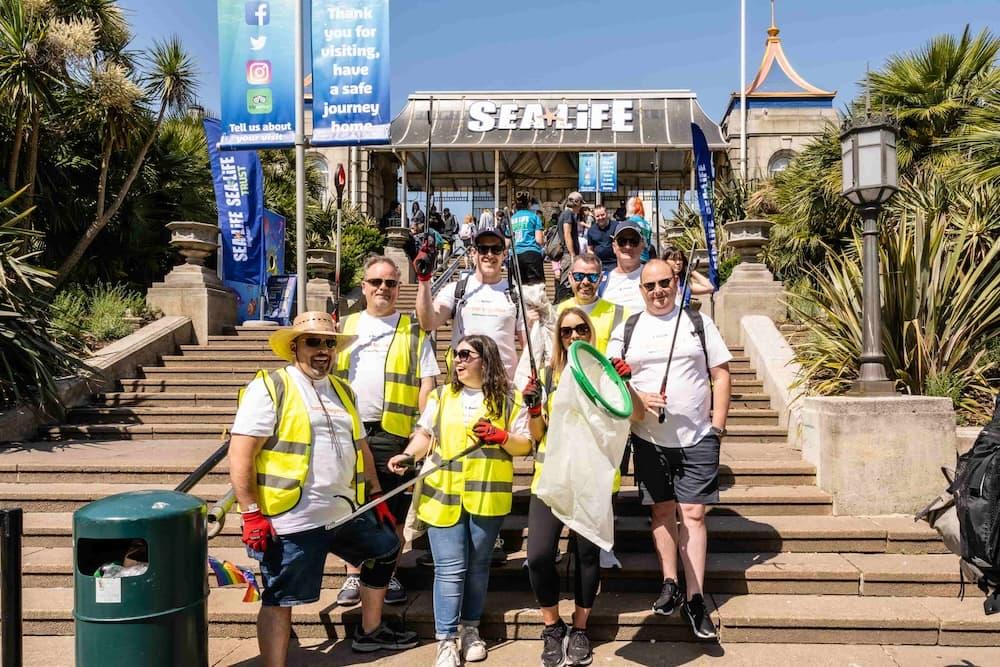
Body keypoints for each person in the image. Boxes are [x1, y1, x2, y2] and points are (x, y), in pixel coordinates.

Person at [228, 311, 419, 666]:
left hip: (345, 511)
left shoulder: (344, 391)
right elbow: (240, 453)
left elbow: (361, 447)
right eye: (314, 342)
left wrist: (376, 496)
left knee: (387, 546)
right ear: (295, 346)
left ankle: (371, 630)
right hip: (292, 519)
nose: (323, 350)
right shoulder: (271, 387)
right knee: (279, 597)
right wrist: (251, 513)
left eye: (329, 343)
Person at [606, 259, 732, 641]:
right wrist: (637, 394)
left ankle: (695, 597)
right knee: (661, 511)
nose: (658, 290)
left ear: (676, 281)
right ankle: (669, 582)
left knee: (693, 513)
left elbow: (721, 373)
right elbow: (610, 375)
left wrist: (718, 428)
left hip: (696, 437)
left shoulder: (698, 322)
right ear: (640, 290)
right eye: (650, 285)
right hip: (648, 438)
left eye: (665, 282)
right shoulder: (628, 327)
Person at [387, 335, 532, 667]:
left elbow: (525, 444)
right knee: (450, 569)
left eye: (466, 354)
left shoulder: (509, 398)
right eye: (455, 354)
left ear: (486, 359)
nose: (458, 360)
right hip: (443, 495)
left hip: (487, 494)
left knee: (478, 568)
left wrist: (503, 437)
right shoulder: (440, 395)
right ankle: (446, 639)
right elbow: (425, 434)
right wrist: (409, 456)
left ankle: (470, 628)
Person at [524, 307, 634, 667]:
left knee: (587, 556)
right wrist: (533, 408)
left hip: (593, 481)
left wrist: (626, 384)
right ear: (559, 338)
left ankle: (581, 628)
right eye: (566, 331)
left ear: (591, 333)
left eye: (581, 329)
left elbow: (636, 416)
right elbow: (536, 437)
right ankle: (552, 626)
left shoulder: (607, 374)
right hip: (549, 479)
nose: (574, 337)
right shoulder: (547, 375)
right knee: (538, 555)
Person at [333, 257, 441, 607]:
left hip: (395, 434)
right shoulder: (344, 327)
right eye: (376, 282)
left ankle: (388, 573)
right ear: (363, 286)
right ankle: (354, 572)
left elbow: (427, 383)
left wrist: (421, 433)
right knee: (352, 507)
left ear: (399, 288)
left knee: (393, 510)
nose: (383, 288)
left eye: (391, 283)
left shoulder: (413, 329)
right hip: (348, 431)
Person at [415, 227, 525, 381]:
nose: (489, 254)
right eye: (483, 249)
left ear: (504, 254)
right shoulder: (456, 290)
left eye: (496, 249)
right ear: (473, 254)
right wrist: (424, 280)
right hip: (462, 387)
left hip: (503, 387)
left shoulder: (516, 295)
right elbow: (427, 323)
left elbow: (527, 346)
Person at [556, 253, 628, 354]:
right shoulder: (558, 312)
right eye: (579, 276)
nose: (585, 282)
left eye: (592, 277)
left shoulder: (620, 313)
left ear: (601, 278)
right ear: (570, 277)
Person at [598, 220, 646, 312]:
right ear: (614, 247)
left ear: (642, 245)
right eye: (622, 241)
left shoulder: (654, 277)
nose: (628, 247)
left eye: (633, 241)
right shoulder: (601, 283)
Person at [510, 190, 546, 286]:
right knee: (536, 288)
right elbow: (539, 240)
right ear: (529, 204)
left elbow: (506, 242)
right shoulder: (534, 217)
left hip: (515, 255)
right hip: (532, 253)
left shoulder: (511, 219)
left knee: (519, 288)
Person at [555, 192, 583, 303]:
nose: (581, 207)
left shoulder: (566, 214)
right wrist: (572, 254)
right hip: (568, 255)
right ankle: (562, 308)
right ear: (576, 202)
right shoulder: (568, 214)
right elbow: (567, 234)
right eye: (580, 203)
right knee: (567, 283)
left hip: (567, 254)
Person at [586, 204, 618, 271]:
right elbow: (590, 249)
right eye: (597, 216)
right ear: (594, 217)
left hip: (615, 263)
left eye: (602, 215)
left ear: (607, 214)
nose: (600, 218)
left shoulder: (616, 226)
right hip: (599, 264)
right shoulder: (591, 230)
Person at [625, 196, 654, 262]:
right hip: (645, 257)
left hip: (633, 257)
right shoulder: (647, 224)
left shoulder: (631, 221)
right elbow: (649, 245)